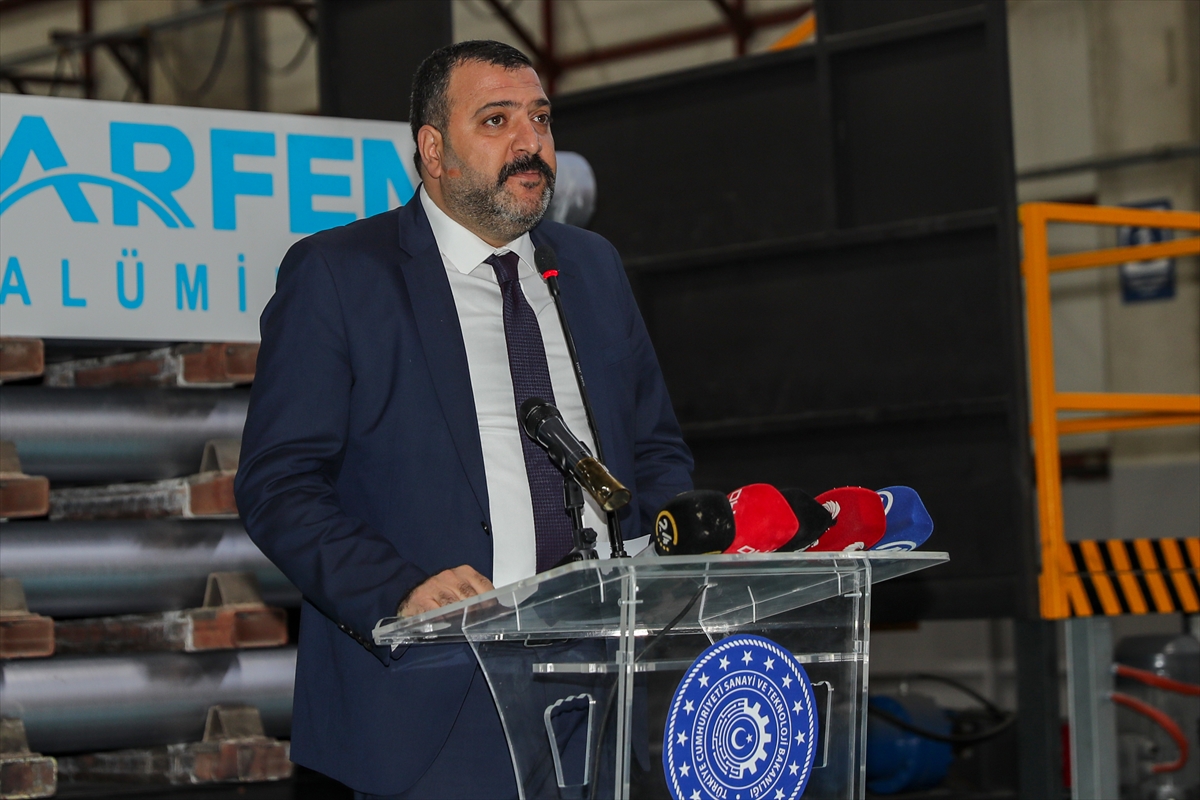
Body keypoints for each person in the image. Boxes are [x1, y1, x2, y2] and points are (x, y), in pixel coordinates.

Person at [234, 40, 692, 799]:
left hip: (600, 693)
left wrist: (668, 553)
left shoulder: (592, 267)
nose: (530, 143)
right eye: (496, 120)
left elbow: (654, 448)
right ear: (433, 150)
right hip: (435, 695)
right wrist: (399, 592)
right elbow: (278, 484)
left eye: (540, 118)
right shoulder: (341, 275)